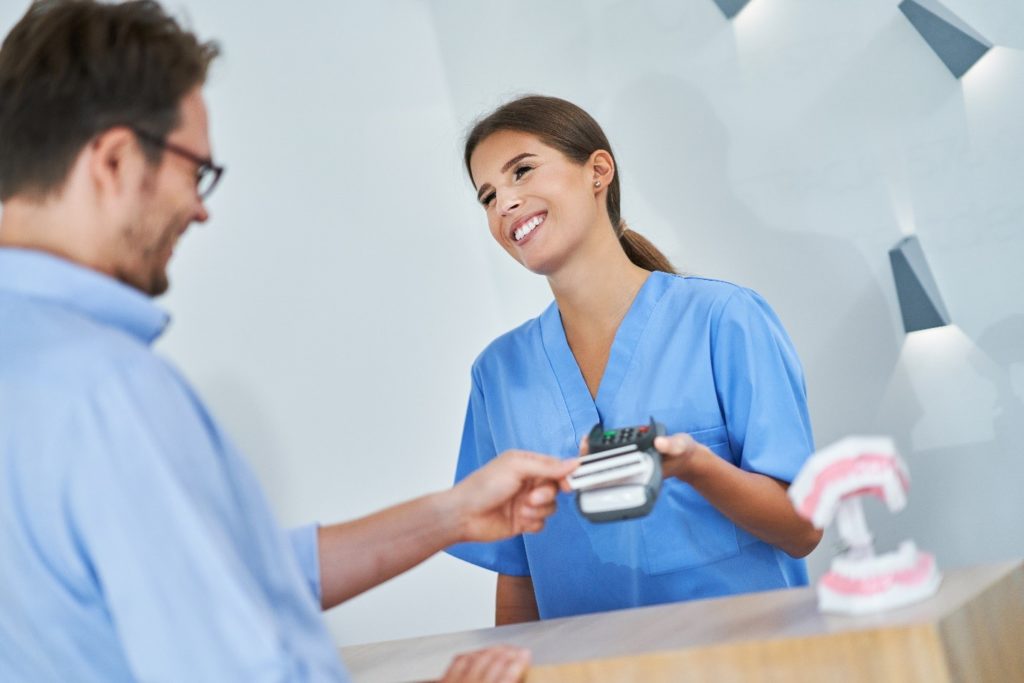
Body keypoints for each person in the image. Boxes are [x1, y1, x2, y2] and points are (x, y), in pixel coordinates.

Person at [0, 3, 575, 681]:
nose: (200, 206)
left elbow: (230, 575)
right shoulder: (107, 389)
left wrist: (452, 513)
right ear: (116, 160)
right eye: (196, 171)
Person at [446, 95, 824, 624]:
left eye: (523, 171)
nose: (504, 203)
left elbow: (803, 528)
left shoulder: (725, 319)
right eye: (487, 196)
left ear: (597, 171)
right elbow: (518, 573)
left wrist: (695, 467)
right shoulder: (498, 376)